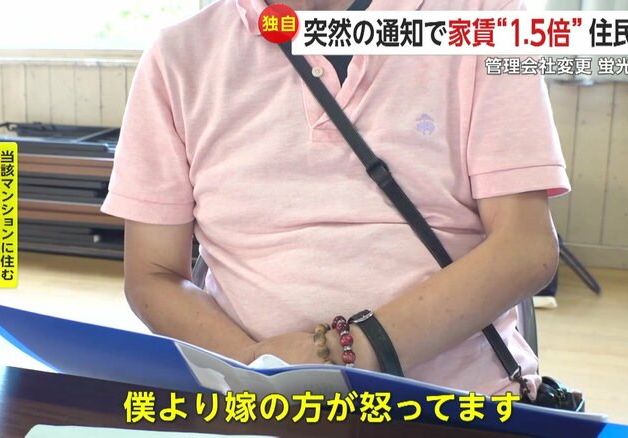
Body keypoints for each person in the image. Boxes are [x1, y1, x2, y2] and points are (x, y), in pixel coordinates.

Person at [101, 0, 570, 399]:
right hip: (260, 404)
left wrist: (342, 354)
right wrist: (258, 367)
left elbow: (526, 248)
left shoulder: (486, 18)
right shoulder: (179, 56)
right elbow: (153, 274)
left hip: (457, 403)